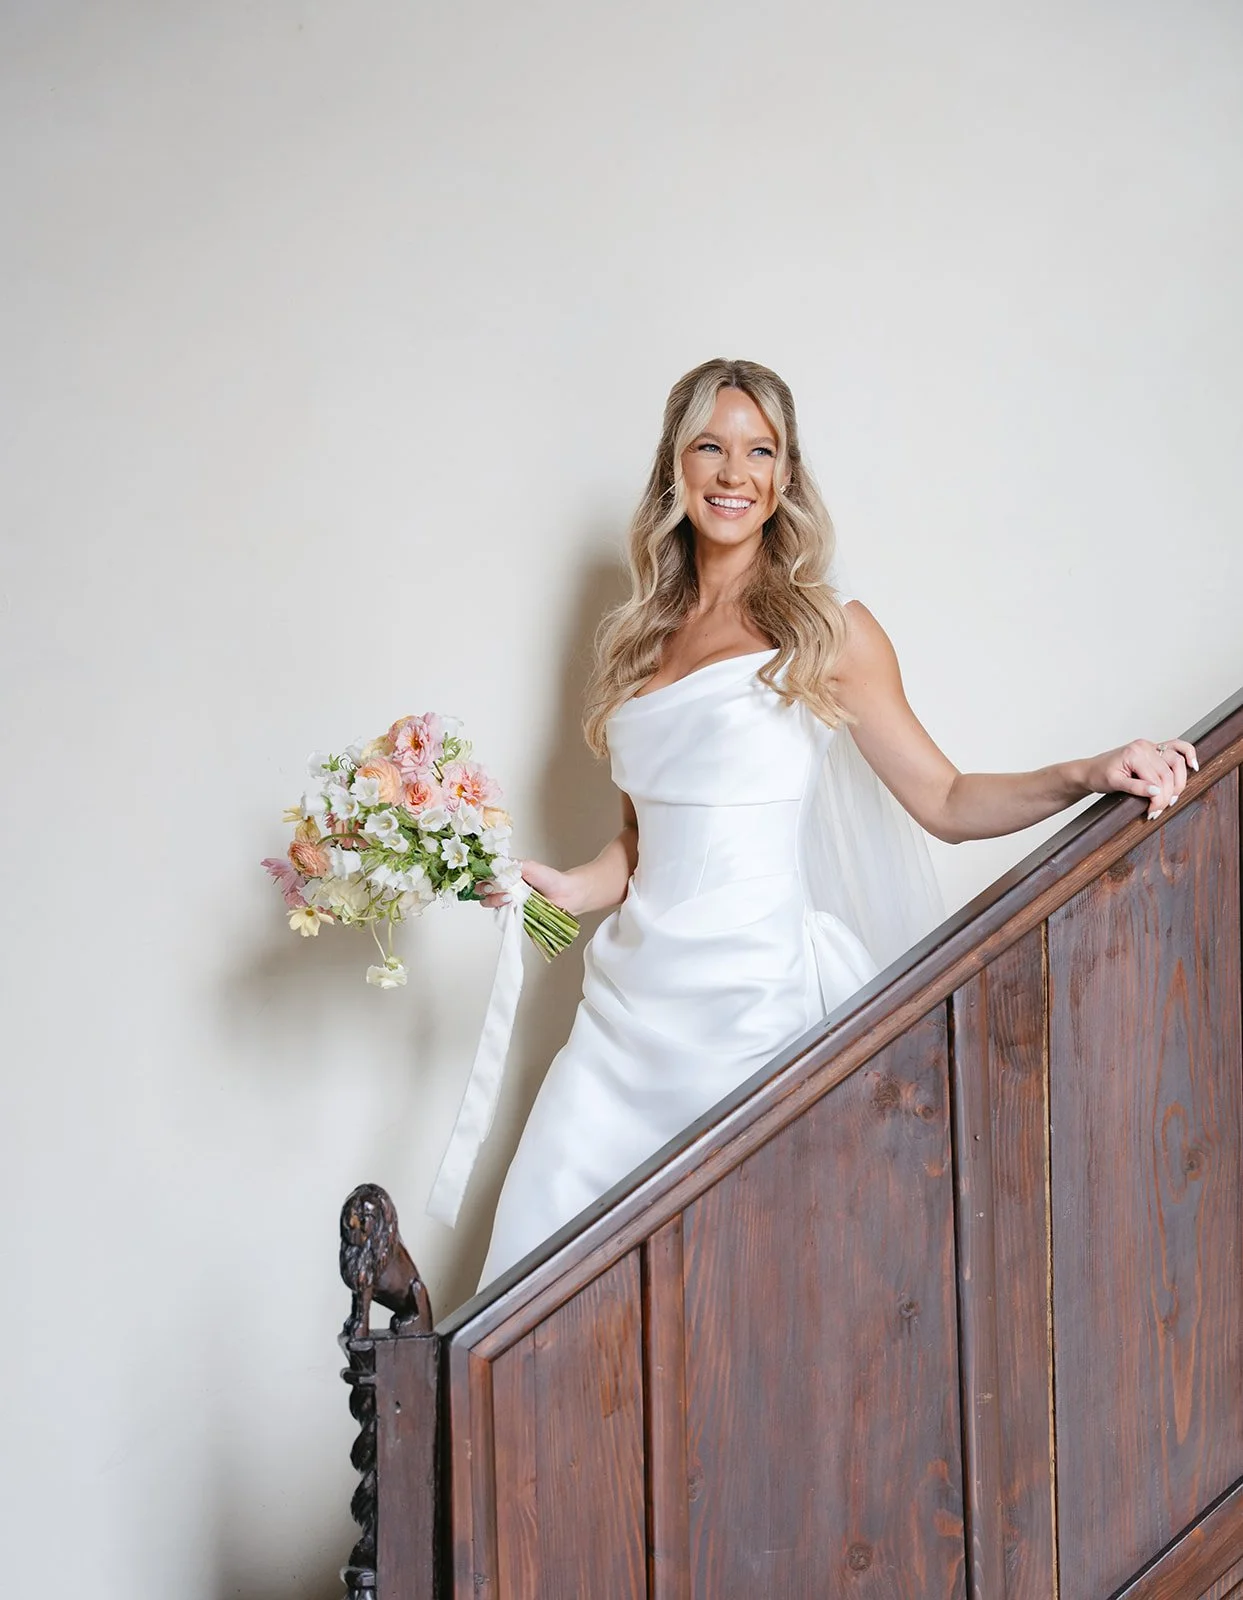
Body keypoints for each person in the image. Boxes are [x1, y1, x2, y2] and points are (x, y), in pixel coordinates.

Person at [461, 357, 1197, 1288]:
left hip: (751, 1008)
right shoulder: (637, 641)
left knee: (737, 1283)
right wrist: (564, 889)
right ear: (674, 470)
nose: (733, 474)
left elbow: (944, 800)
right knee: (533, 1267)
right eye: (710, 448)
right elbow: (643, 841)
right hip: (622, 1015)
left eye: (759, 451)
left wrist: (1084, 772)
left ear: (785, 478)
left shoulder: (828, 632)